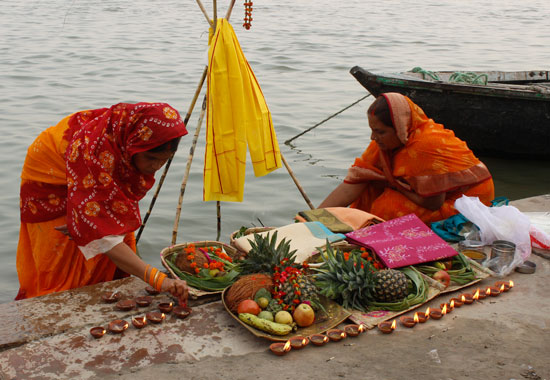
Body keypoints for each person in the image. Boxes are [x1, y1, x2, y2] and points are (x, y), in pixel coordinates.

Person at [16, 102, 189, 302]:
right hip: (51, 177)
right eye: (151, 158)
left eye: (164, 160)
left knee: (107, 224)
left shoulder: (123, 142)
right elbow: (104, 236)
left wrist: (84, 223)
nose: (156, 166)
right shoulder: (93, 152)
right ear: (132, 147)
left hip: (85, 167)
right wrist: (160, 280)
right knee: (61, 260)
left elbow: (108, 219)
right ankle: (52, 308)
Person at [319, 92, 495, 224]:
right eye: (372, 130)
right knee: (369, 187)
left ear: (401, 128)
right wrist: (312, 218)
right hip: (421, 194)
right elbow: (353, 184)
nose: (373, 137)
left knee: (387, 207)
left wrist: (395, 184)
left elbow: (433, 202)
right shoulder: (383, 145)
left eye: (380, 132)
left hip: (467, 200)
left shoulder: (426, 146)